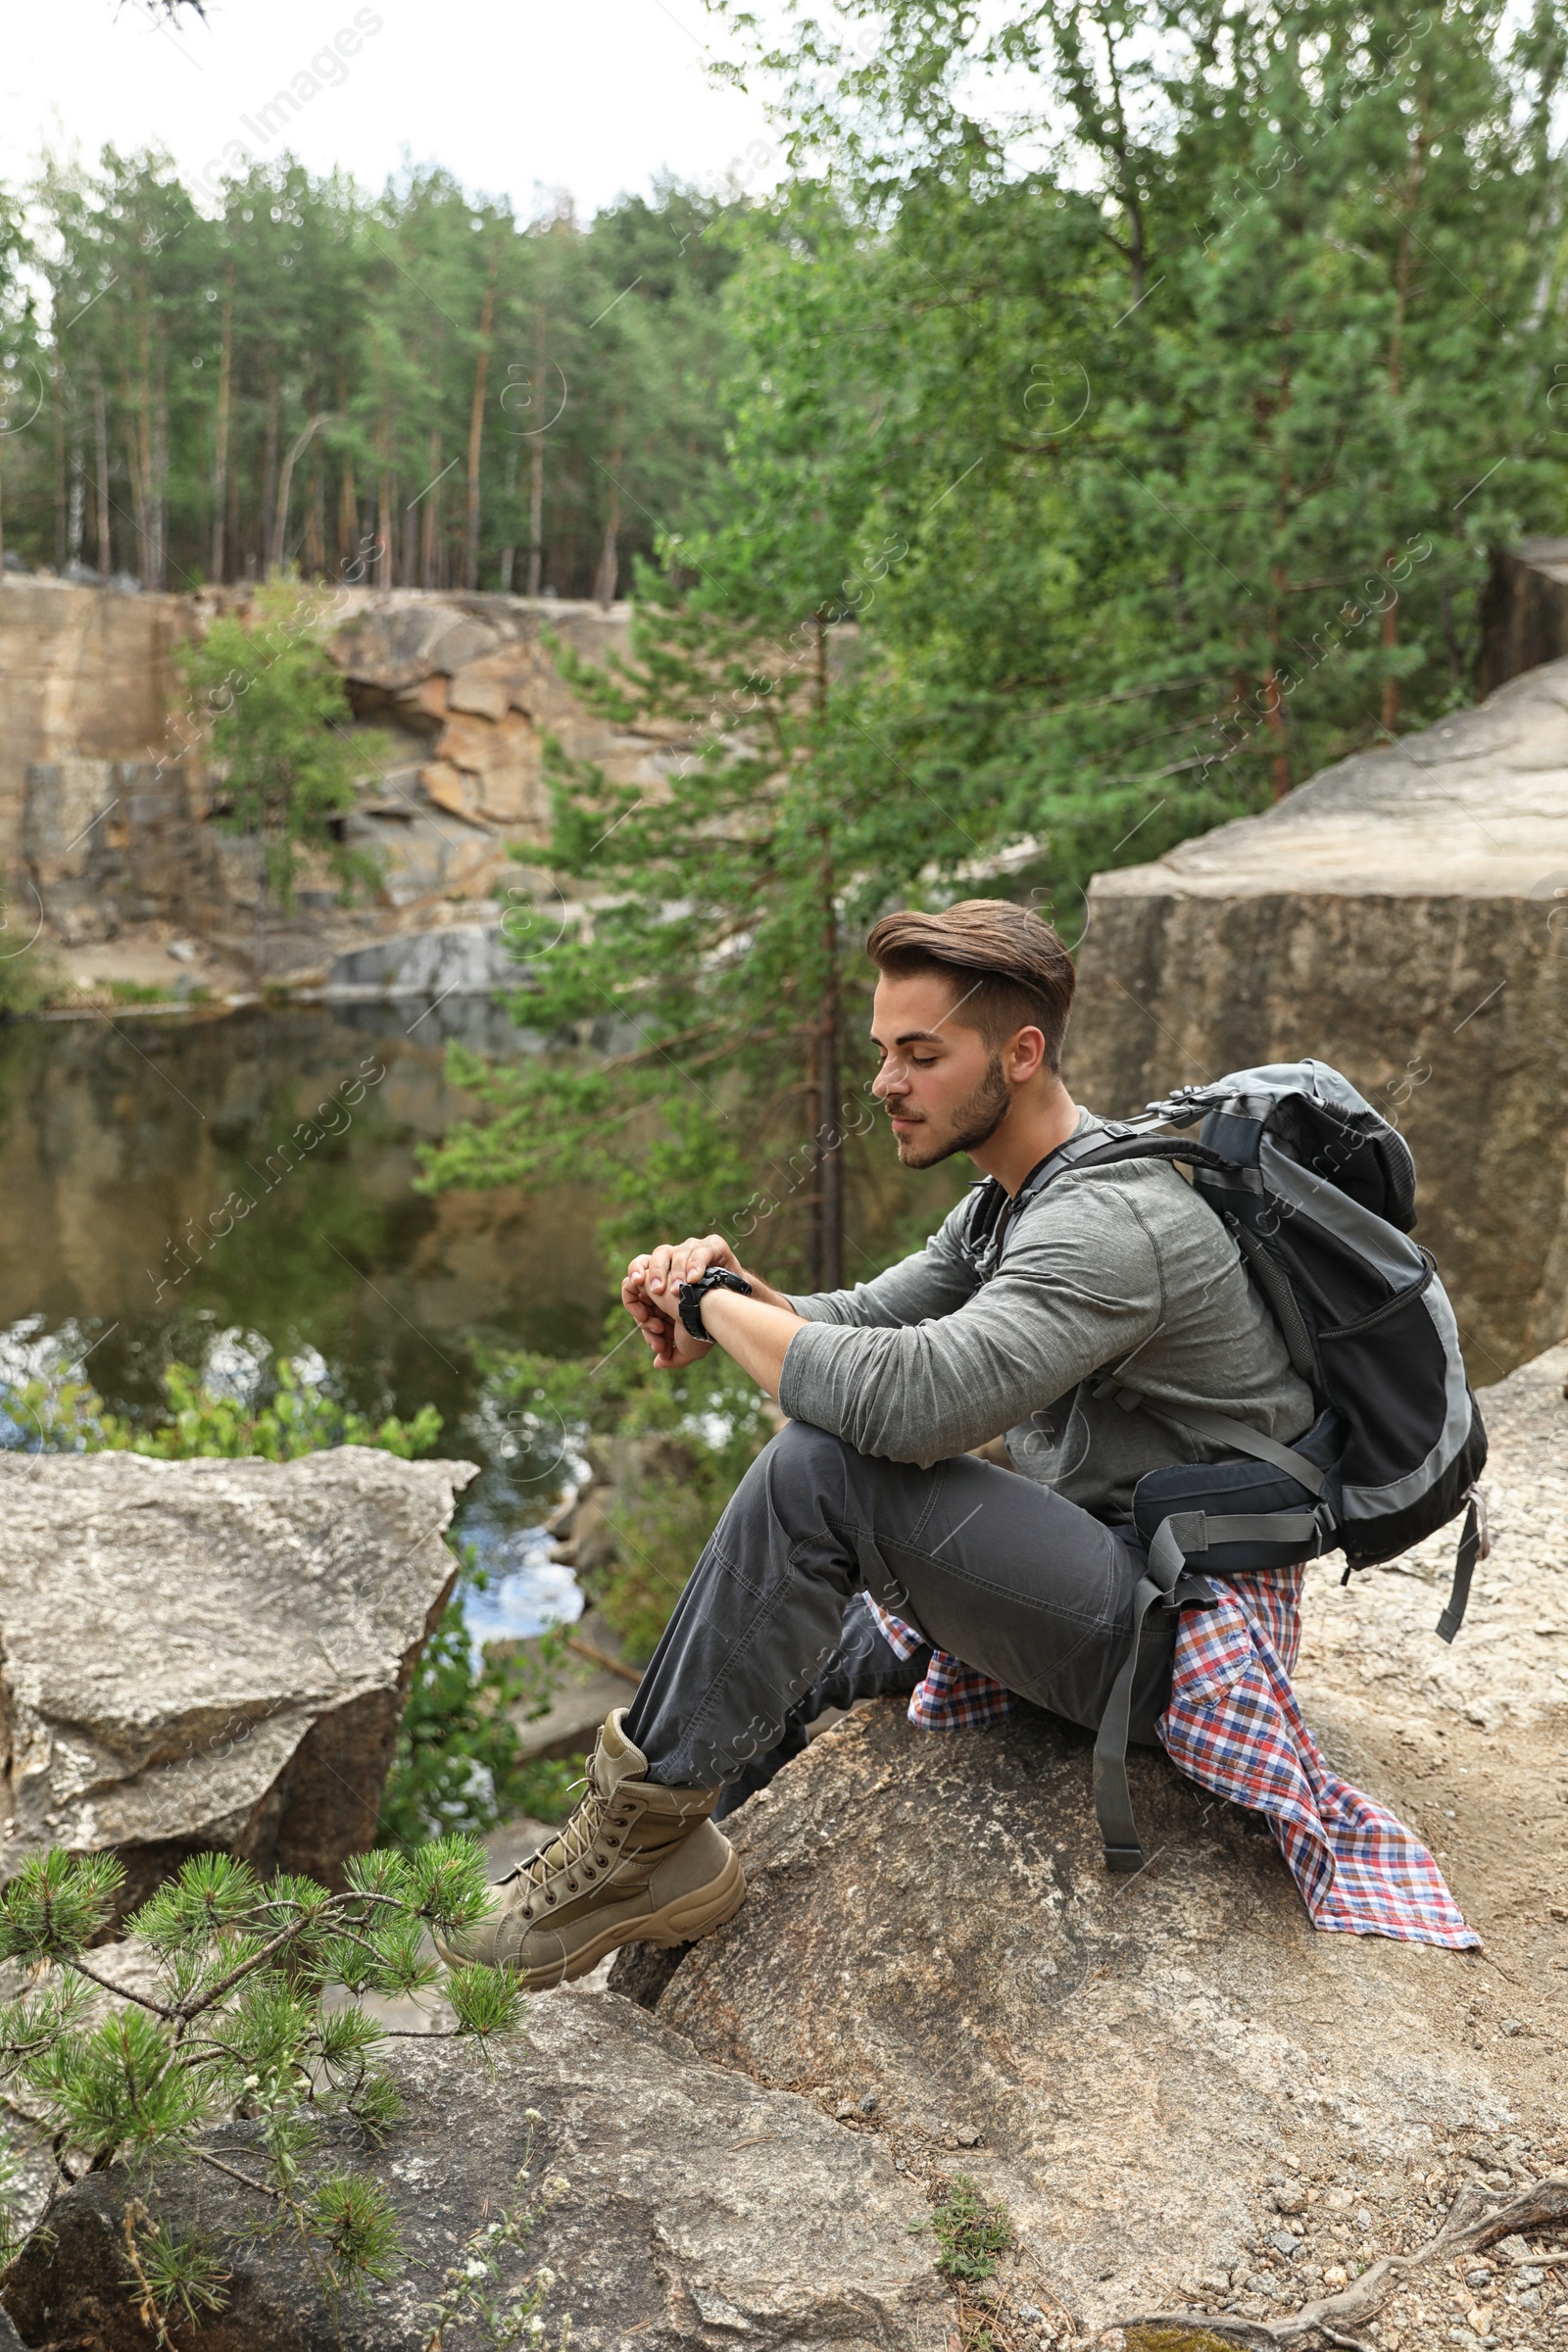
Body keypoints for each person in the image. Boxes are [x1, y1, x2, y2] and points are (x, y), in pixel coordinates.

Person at [438, 900, 1477, 1987]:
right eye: (884, 1052)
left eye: (920, 1054)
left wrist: (715, 1314)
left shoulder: (1109, 1225)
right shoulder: (1011, 1202)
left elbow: (913, 1406)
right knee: (800, 1649)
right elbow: (869, 1323)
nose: (886, 1082)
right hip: (1098, 1568)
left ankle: (631, 1848)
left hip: (1181, 1629)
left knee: (821, 1475)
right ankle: (657, 1906)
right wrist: (734, 1292)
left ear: (1020, 1055)